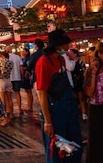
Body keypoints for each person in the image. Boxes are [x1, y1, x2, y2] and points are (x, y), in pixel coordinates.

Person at [35, 29, 82, 163]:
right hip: (54, 111)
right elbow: (42, 93)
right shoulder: (44, 62)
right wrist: (48, 122)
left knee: (72, 147)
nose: (69, 45)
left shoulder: (61, 60)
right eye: (66, 43)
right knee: (56, 149)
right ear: (58, 45)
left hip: (68, 109)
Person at [5, 45, 23, 116]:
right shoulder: (17, 57)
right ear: (11, 50)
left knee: (8, 95)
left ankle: (8, 109)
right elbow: (21, 67)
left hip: (8, 78)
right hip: (17, 77)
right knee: (17, 93)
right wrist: (22, 76)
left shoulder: (5, 57)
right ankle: (19, 109)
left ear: (6, 51)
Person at [0, 51, 14, 120]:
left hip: (1, 80)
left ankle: (3, 115)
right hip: (8, 80)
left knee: (2, 99)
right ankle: (12, 114)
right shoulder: (11, 62)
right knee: (9, 99)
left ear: (2, 56)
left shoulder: (1, 62)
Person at [70, 48, 88, 121]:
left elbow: (83, 73)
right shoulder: (70, 62)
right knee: (74, 99)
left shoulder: (81, 62)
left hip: (79, 82)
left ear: (75, 54)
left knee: (81, 98)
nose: (69, 54)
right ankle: (76, 113)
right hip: (72, 83)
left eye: (71, 53)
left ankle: (84, 114)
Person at [20, 47, 34, 113]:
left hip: (27, 76)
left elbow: (29, 67)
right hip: (25, 76)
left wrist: (24, 68)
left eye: (23, 51)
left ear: (27, 52)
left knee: (29, 91)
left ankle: (30, 107)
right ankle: (29, 106)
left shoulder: (28, 59)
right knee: (27, 91)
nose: (22, 52)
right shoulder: (23, 59)